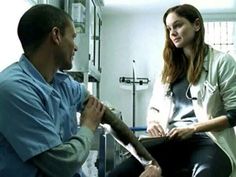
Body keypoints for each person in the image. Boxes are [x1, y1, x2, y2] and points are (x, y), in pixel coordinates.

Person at [0, 4, 160, 177]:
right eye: (73, 37)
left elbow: (105, 115)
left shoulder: (64, 83)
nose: (76, 47)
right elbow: (62, 166)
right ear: (56, 36)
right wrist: (88, 126)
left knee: (150, 161)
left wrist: (148, 161)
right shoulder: (13, 89)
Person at [108, 4, 236, 177]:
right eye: (169, 29)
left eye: (178, 25)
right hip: (170, 141)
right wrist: (153, 123)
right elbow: (154, 108)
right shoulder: (168, 70)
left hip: (208, 141)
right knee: (119, 174)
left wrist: (193, 128)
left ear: (196, 25)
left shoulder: (222, 62)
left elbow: (233, 114)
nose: (172, 33)